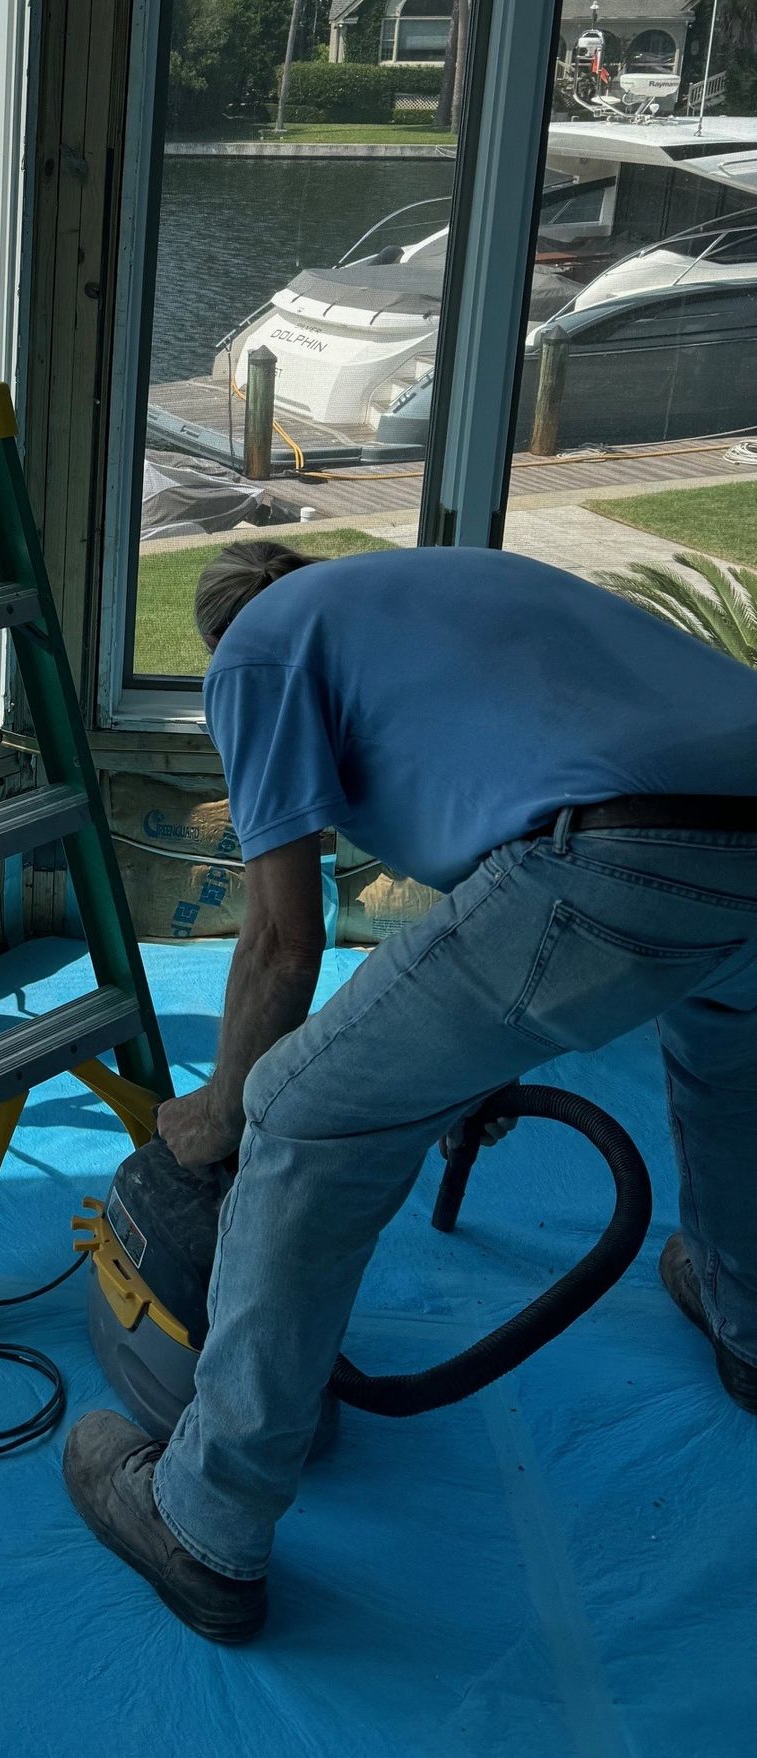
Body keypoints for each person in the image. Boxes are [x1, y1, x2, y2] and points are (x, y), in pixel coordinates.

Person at [63, 538, 757, 1644]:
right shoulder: (436, 604)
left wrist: (224, 1105)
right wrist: (453, 1060)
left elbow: (284, 945)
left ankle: (205, 1520)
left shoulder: (258, 648)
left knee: (298, 1110)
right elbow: (526, 875)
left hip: (616, 855)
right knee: (733, 1064)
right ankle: (748, 1319)